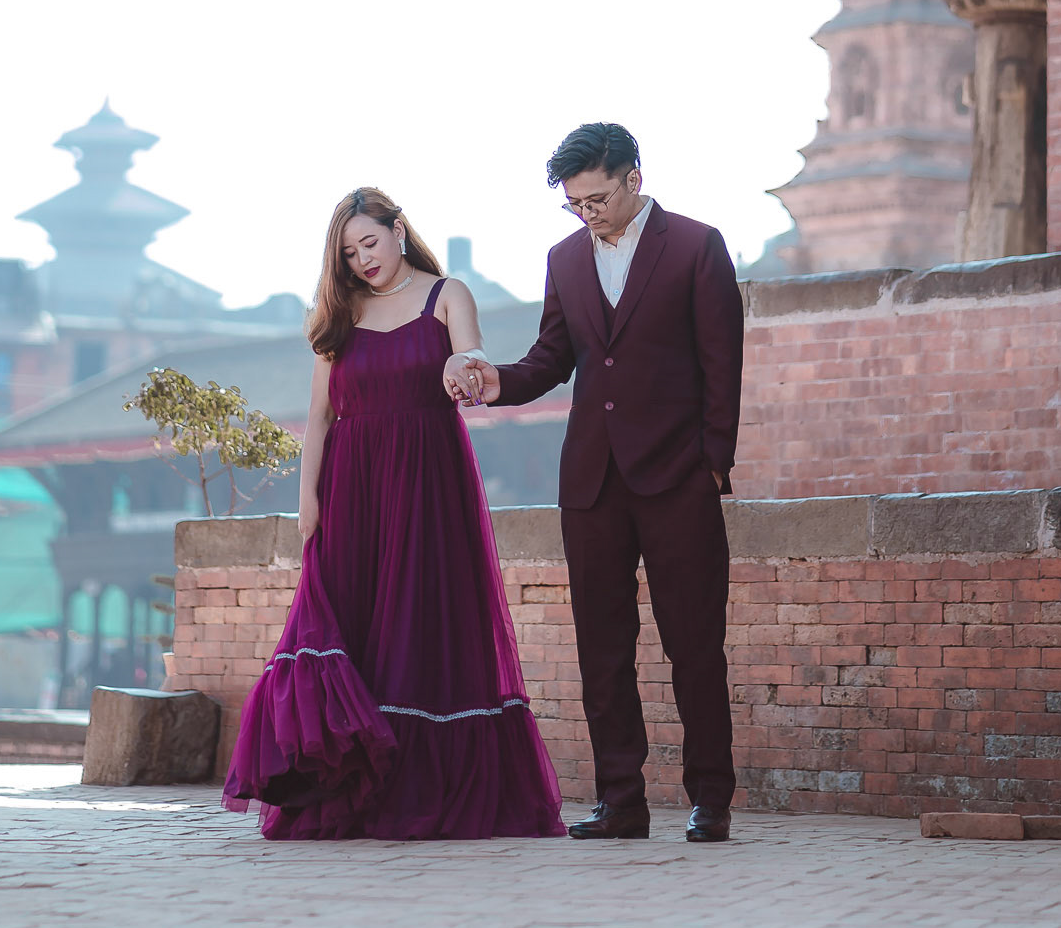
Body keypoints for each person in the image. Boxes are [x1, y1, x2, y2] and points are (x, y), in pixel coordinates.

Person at [223, 187, 563, 842]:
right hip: (350, 488)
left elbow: (472, 357)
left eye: (370, 242)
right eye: (349, 253)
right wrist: (308, 502)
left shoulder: (447, 295)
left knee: (422, 625)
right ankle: (346, 788)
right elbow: (319, 417)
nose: (363, 260)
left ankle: (421, 787)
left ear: (398, 229)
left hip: (430, 484)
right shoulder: (338, 315)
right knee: (343, 627)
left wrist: (463, 366)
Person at [444, 123, 743, 844]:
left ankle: (710, 798)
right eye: (573, 204)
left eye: (597, 199)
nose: (586, 214)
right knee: (601, 649)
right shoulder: (565, 258)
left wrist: (712, 464)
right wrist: (495, 381)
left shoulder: (697, 246)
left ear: (633, 177)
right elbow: (553, 357)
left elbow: (722, 363)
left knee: (693, 644)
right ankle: (620, 801)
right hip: (591, 482)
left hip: (677, 478)